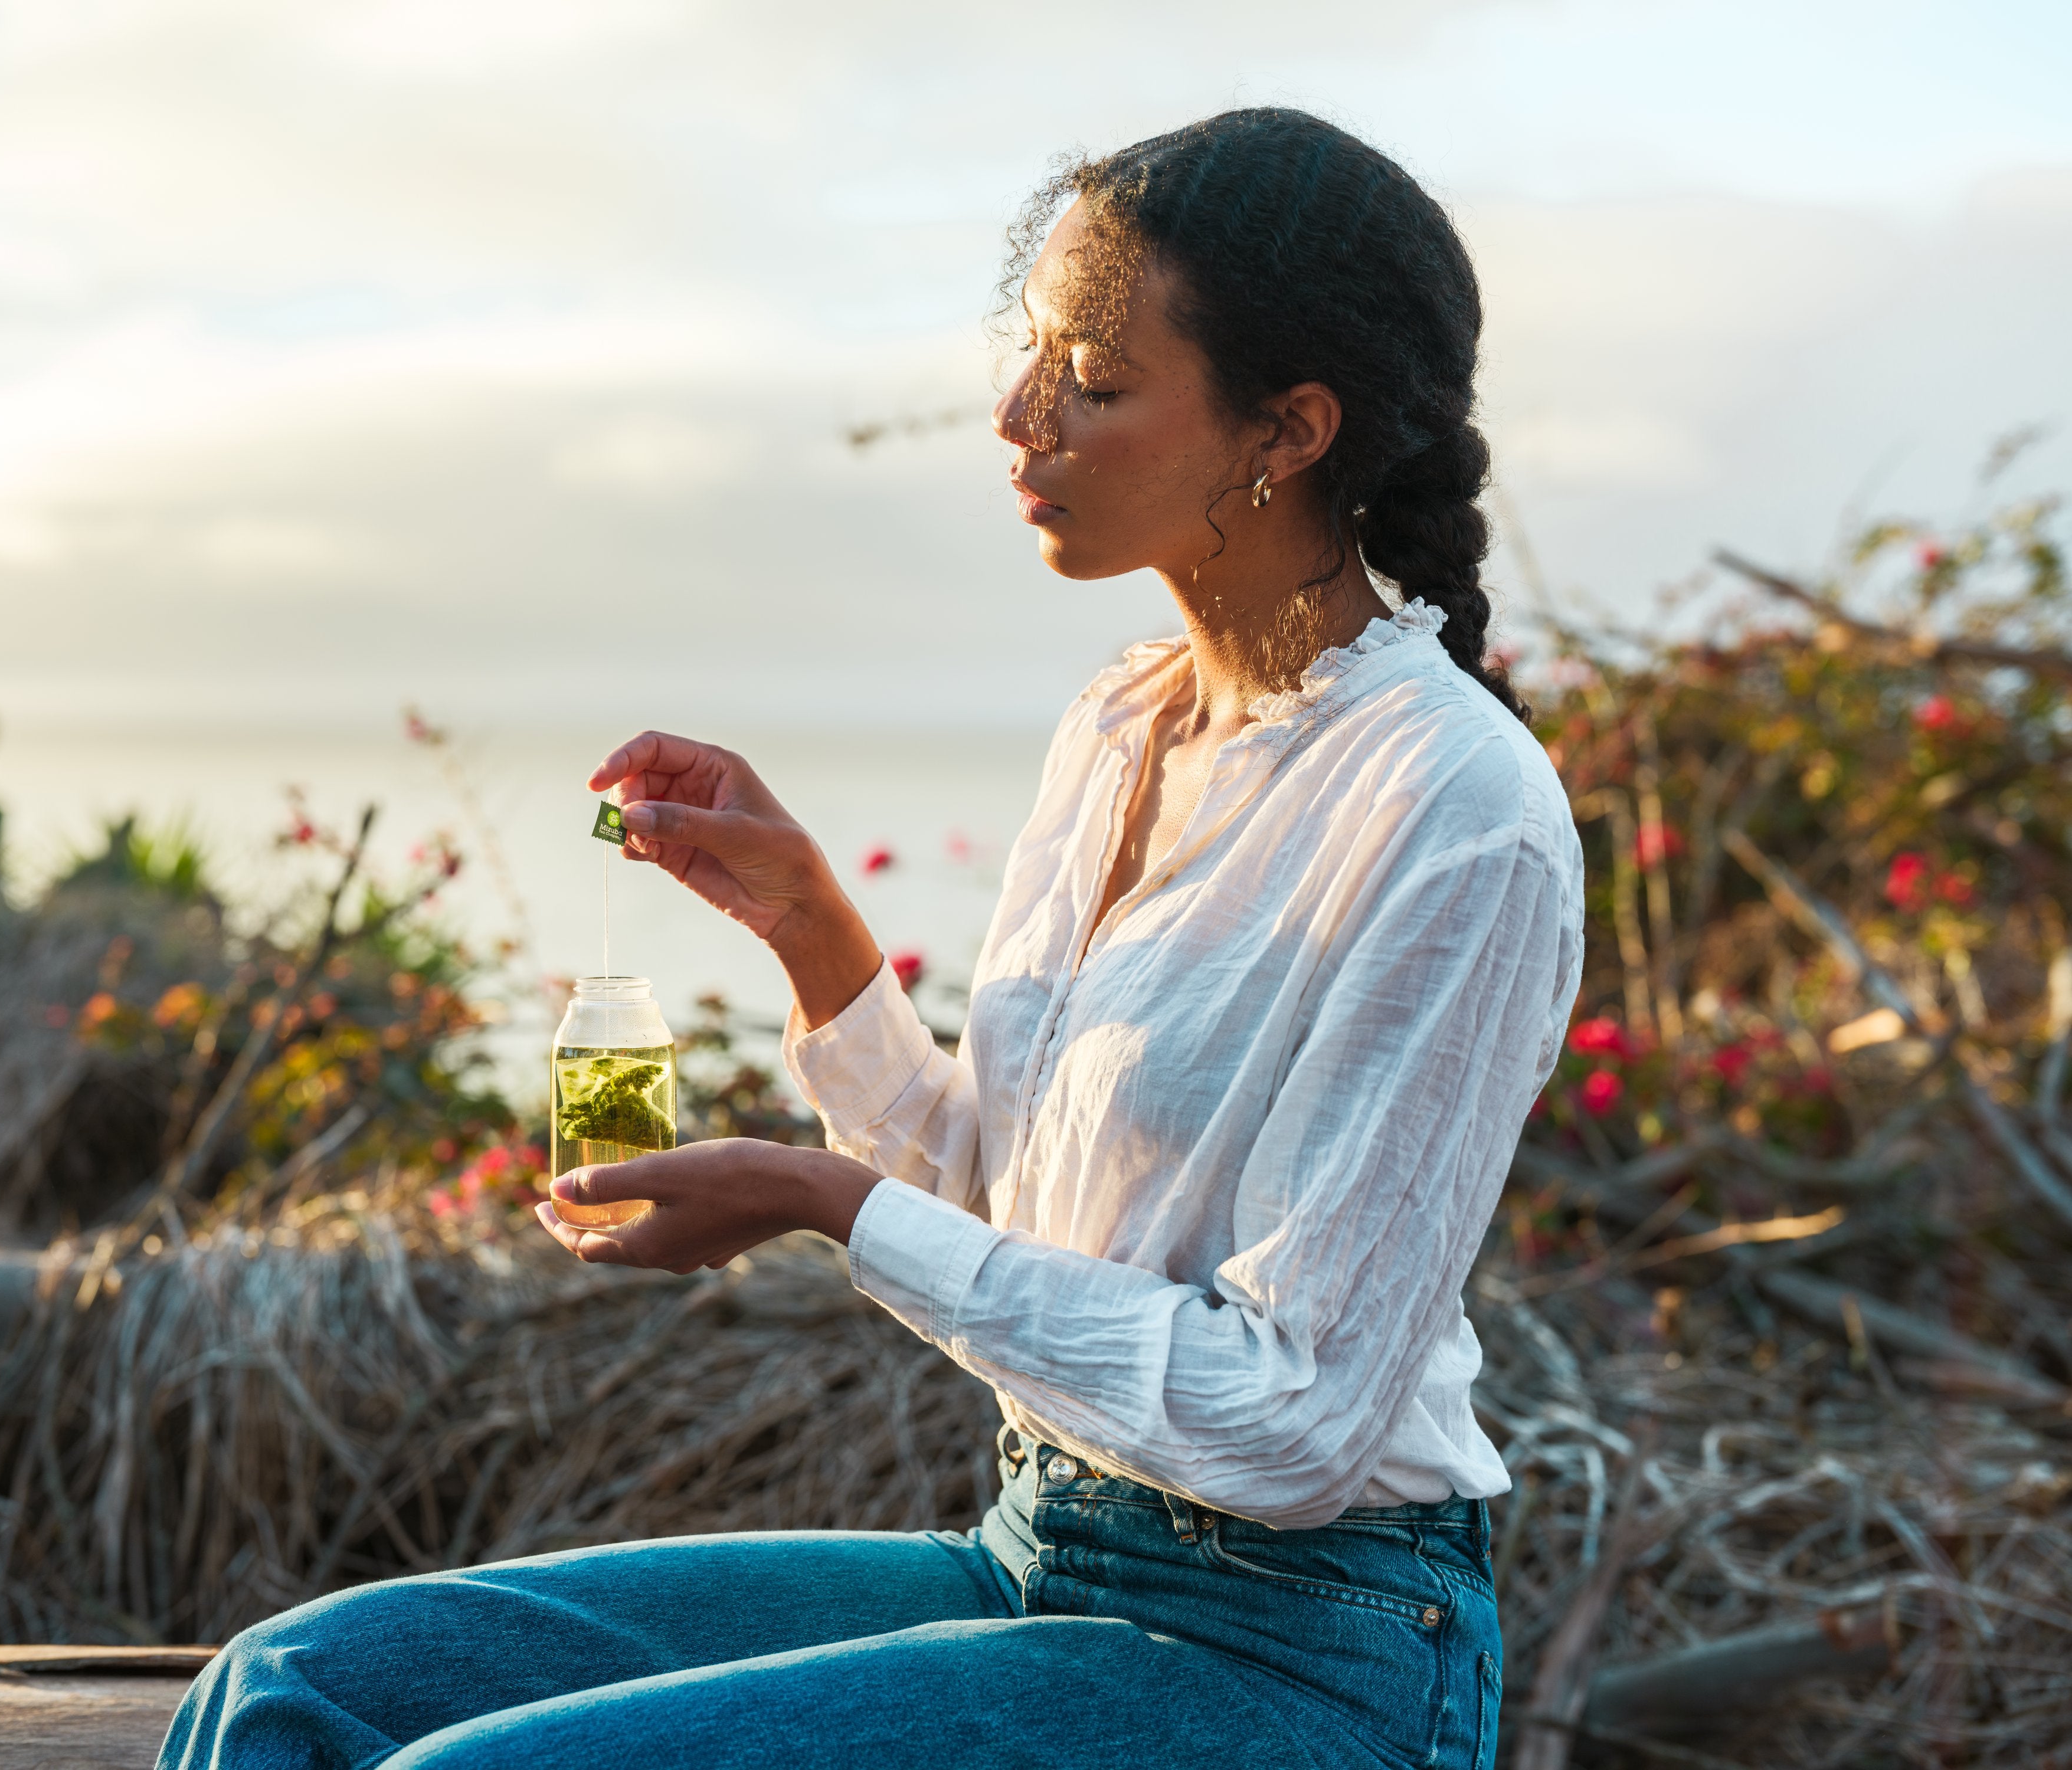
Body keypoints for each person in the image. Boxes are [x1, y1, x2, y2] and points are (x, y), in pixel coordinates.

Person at [159, 106, 1583, 1770]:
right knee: (290, 1689)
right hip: (1041, 1553)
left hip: (1303, 1651)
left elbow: (1292, 1417)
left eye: (1095, 378)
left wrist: (815, 1200)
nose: (1018, 416)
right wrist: (823, 944)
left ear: (1289, 430)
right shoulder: (1122, 728)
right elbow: (1009, 1220)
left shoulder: (1456, 809)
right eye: (1034, 352)